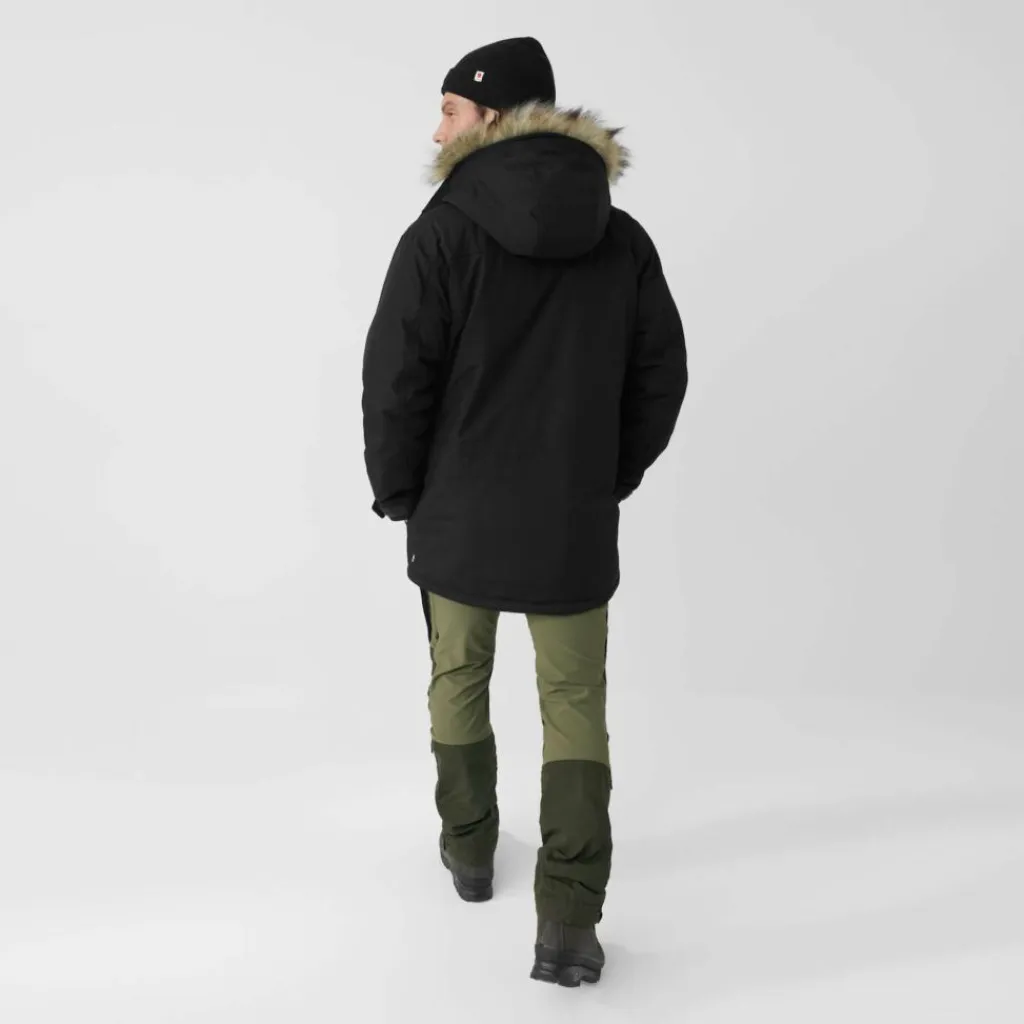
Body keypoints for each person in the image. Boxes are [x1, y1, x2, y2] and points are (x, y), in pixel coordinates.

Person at [361, 35, 687, 987]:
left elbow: (395, 378)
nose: (438, 131)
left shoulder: (441, 232)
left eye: (450, 111)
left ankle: (469, 851)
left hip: (458, 512)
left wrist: (401, 490)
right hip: (570, 518)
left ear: (494, 117)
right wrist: (606, 476)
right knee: (574, 702)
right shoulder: (621, 237)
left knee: (457, 672)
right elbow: (660, 375)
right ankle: (569, 925)